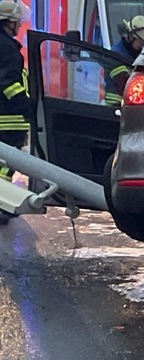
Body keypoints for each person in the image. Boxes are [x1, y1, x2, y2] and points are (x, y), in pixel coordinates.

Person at [0, 0, 32, 225]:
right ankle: (1, 205)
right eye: (16, 21)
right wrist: (25, 105)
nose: (19, 25)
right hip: (8, 119)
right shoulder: (7, 48)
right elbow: (8, 81)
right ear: (6, 23)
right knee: (4, 165)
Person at [104, 15, 144, 105]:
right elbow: (123, 84)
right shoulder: (116, 55)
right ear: (130, 37)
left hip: (132, 103)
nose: (142, 47)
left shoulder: (135, 53)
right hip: (116, 105)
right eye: (140, 42)